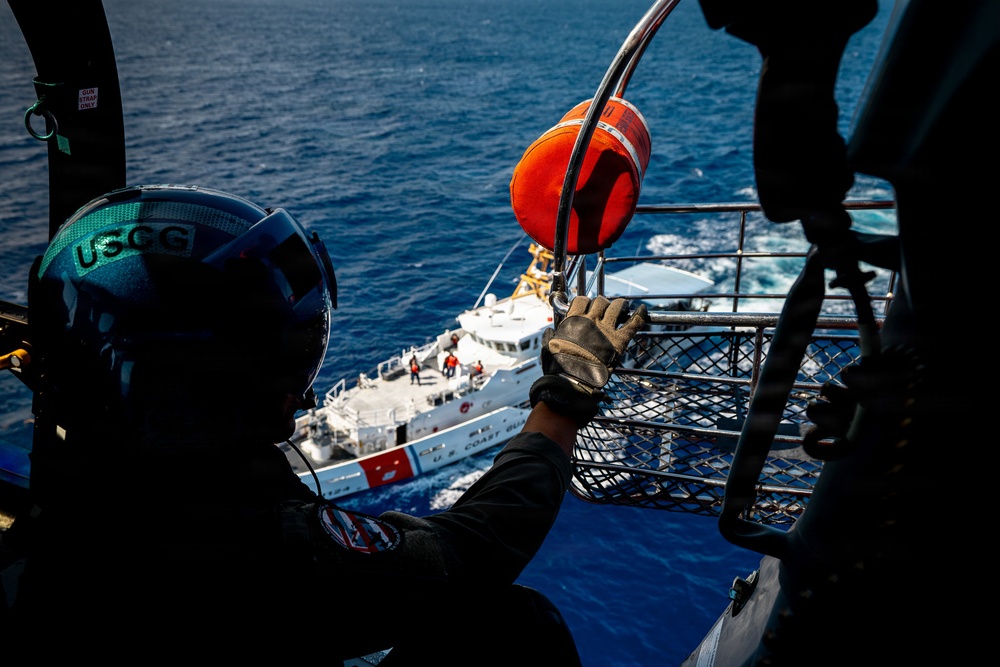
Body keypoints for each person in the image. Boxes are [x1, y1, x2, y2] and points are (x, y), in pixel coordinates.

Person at [1, 184, 648, 661]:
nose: (299, 396)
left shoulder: (67, 487)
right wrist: (562, 397)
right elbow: (466, 553)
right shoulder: (265, 544)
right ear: (210, 387)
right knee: (513, 627)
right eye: (285, 365)